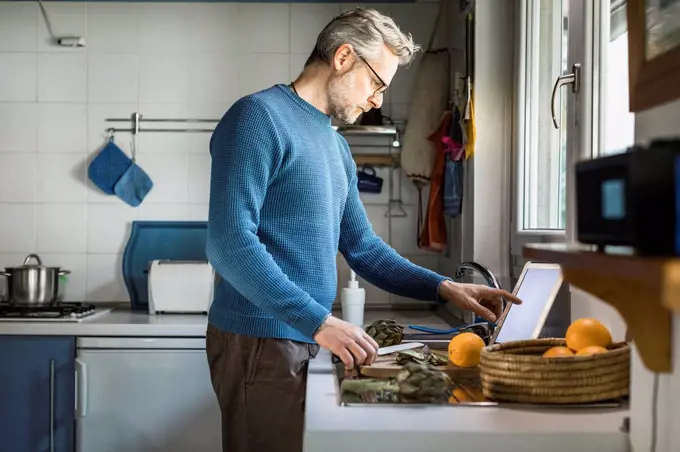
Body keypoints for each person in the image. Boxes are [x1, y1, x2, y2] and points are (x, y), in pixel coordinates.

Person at [205, 7, 522, 452]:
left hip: (306, 334)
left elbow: (363, 248)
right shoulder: (258, 118)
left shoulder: (335, 145)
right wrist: (318, 321)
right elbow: (229, 242)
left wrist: (446, 287)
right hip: (262, 337)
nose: (376, 100)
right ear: (343, 57)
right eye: (376, 82)